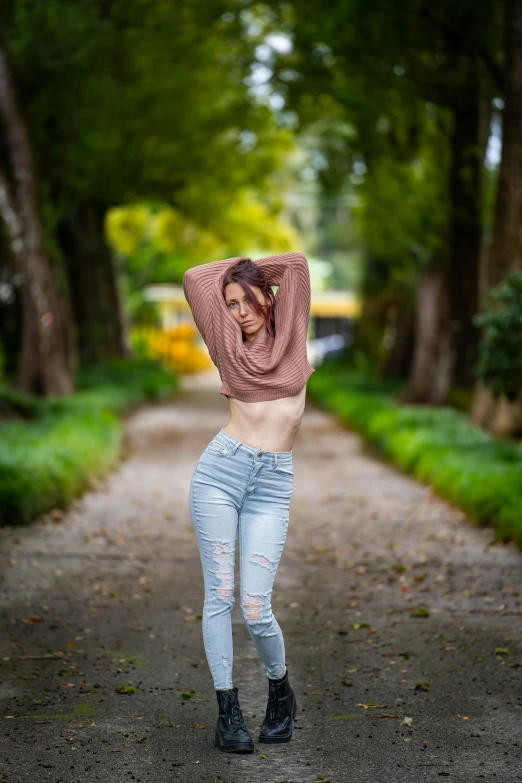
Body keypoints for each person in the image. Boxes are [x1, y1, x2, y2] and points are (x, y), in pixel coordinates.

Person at [182, 252, 315, 753]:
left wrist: (247, 272)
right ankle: (228, 711)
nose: (239, 311)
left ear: (267, 294)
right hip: (220, 475)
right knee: (219, 597)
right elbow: (197, 275)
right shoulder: (227, 347)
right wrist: (232, 284)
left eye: (246, 299)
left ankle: (280, 692)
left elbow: (297, 266)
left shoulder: (290, 337)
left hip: (272, 484)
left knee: (256, 607)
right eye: (230, 304)